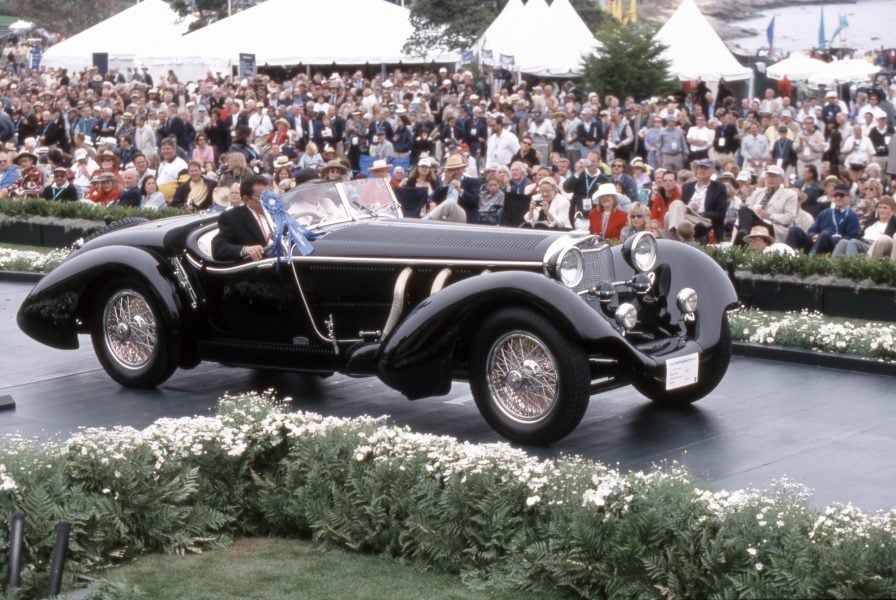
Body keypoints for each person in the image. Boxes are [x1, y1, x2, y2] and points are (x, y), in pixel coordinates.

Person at [785, 184, 860, 254]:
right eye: (835, 195)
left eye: (841, 195)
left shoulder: (852, 216)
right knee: (794, 230)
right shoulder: (825, 213)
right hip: (816, 243)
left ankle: (810, 261)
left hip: (835, 247)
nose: (838, 198)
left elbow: (852, 237)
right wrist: (814, 236)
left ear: (849, 197)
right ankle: (787, 258)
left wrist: (831, 238)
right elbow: (811, 231)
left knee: (824, 235)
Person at [212, 177, 273, 262]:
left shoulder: (276, 212)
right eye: (263, 198)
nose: (269, 201)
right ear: (246, 199)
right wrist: (246, 249)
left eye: (270, 196)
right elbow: (218, 248)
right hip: (258, 268)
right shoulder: (232, 218)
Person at [665, 158, 727, 242]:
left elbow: (720, 214)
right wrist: (690, 207)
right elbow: (681, 206)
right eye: (700, 168)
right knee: (672, 209)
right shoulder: (687, 187)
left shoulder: (719, 188)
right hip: (688, 214)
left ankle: (675, 239)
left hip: (703, 217)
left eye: (706, 168)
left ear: (712, 171)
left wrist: (700, 211)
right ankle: (679, 236)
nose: (702, 171)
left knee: (669, 216)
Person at [735, 165, 798, 244]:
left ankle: (742, 236)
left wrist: (769, 215)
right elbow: (748, 210)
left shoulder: (790, 194)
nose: (771, 179)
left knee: (748, 220)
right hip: (755, 222)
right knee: (743, 209)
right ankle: (743, 232)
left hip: (773, 227)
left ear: (781, 179)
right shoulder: (758, 192)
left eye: (774, 176)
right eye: (768, 176)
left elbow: (789, 218)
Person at [156, 137, 189, 203]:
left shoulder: (181, 164)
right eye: (163, 149)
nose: (165, 151)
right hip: (161, 202)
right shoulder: (162, 164)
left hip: (174, 203)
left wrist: (175, 200)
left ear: (174, 150)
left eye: (168, 149)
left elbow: (184, 185)